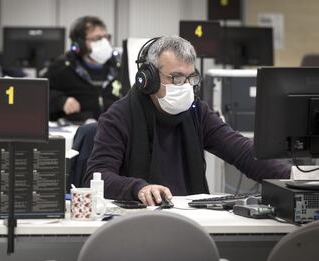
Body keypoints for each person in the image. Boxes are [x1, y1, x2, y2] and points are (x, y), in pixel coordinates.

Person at [83, 36, 291, 206]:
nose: (184, 86)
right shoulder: (119, 116)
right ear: (148, 79)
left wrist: (294, 177)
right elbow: (97, 177)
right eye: (175, 77)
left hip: (191, 218)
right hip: (136, 220)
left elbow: (242, 152)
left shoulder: (196, 111)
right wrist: (138, 188)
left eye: (190, 78)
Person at [44, 16, 126, 122]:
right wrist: (60, 101)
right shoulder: (62, 67)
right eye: (97, 39)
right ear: (80, 44)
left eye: (106, 37)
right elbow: (37, 93)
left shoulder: (120, 66)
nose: (104, 42)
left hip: (113, 130)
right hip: (75, 130)